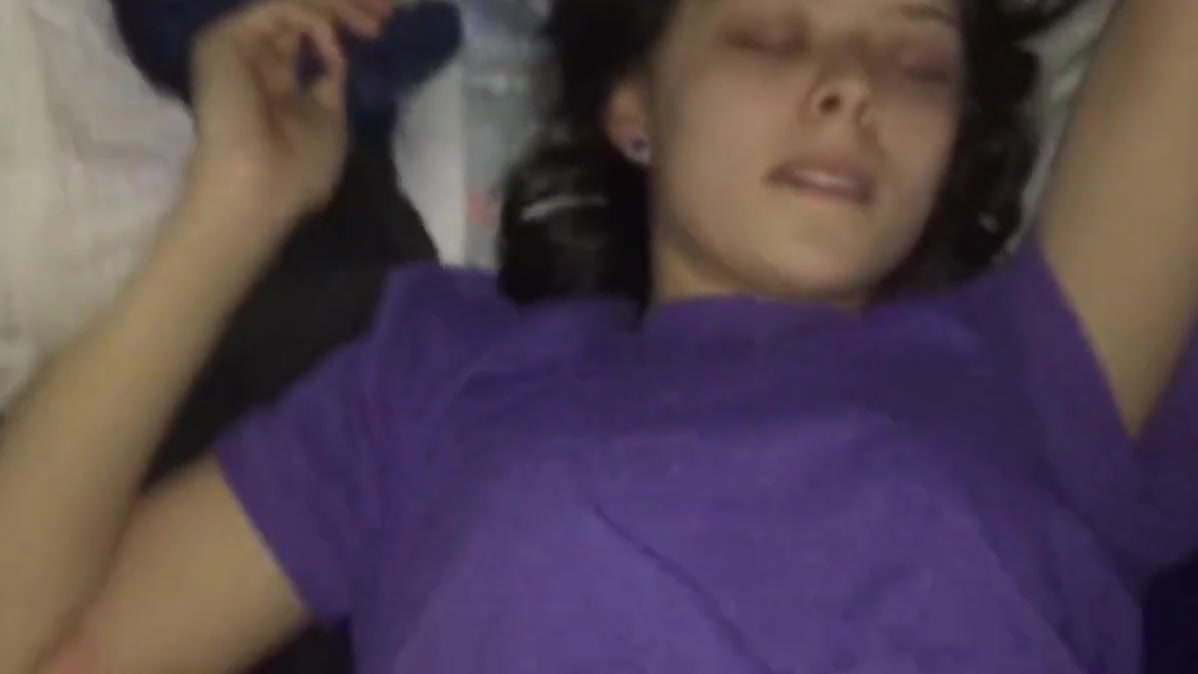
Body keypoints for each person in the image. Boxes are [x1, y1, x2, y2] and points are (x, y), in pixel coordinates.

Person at [3, 0, 1198, 672]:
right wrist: (233, 208)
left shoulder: (1039, 367)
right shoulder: (432, 380)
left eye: (915, 57)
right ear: (633, 106)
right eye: (768, 36)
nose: (851, 88)